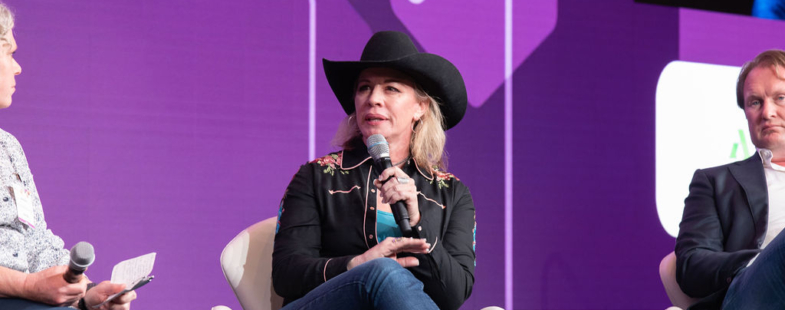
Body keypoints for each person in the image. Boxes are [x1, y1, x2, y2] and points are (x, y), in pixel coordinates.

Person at [272, 31, 475, 310]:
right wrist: (358, 265)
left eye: (391, 88)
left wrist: (417, 224)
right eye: (364, 87)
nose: (374, 99)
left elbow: (454, 296)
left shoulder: (452, 193)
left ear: (420, 107)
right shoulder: (316, 176)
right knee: (382, 273)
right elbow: (285, 275)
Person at [0, 3, 137, 310]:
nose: (18, 67)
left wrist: (87, 295)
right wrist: (27, 285)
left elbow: (37, 245)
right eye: (10, 53)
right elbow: (32, 283)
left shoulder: (8, 148)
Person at [676, 49, 785, 310]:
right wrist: (762, 261)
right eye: (755, 102)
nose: (767, 112)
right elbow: (692, 264)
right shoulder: (715, 182)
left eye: (780, 97)